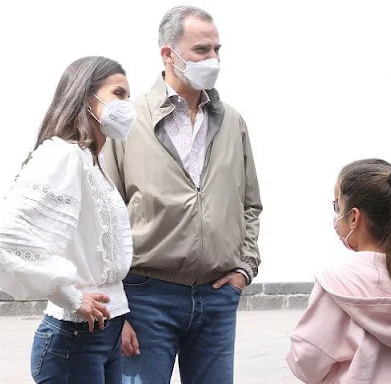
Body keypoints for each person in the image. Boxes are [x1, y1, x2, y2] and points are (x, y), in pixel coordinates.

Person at [101, 6, 262, 384]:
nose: (214, 59)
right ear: (168, 54)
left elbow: (250, 204)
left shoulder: (231, 120)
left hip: (218, 295)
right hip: (145, 297)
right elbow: (105, 215)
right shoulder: (129, 119)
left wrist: (245, 268)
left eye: (217, 49)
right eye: (201, 50)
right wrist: (116, 308)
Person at [0, 56, 136, 383]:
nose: (128, 105)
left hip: (104, 333)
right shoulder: (64, 155)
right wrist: (71, 297)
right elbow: (7, 240)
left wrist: (120, 315)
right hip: (74, 340)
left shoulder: (92, 162)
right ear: (87, 98)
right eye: (119, 94)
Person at [286, 159, 391, 383]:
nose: (336, 216)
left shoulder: (336, 280)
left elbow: (304, 360)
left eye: (337, 206)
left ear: (354, 217)